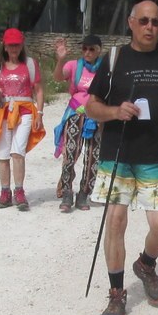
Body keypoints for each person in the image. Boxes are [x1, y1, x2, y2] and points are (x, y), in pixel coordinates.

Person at [85, 0, 158, 315]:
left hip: (156, 155)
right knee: (115, 222)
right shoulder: (115, 58)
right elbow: (90, 106)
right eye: (143, 21)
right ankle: (117, 292)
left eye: (156, 22)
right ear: (131, 23)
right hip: (119, 155)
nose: (150, 27)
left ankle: (146, 264)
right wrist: (115, 112)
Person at [0, 28, 45, 211]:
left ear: (21, 45)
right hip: (4, 111)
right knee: (2, 153)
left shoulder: (30, 64)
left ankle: (19, 191)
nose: (14, 48)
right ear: (5, 46)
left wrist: (39, 113)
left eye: (17, 45)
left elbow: (38, 90)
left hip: (24, 111)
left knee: (18, 151)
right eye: (11, 45)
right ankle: (5, 192)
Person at [52, 34, 104, 212]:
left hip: (96, 116)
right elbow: (58, 77)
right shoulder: (74, 65)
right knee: (71, 153)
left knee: (93, 157)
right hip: (75, 113)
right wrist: (61, 60)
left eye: (92, 49)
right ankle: (67, 191)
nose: (87, 52)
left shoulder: (104, 69)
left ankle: (84, 193)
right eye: (84, 49)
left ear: (99, 50)